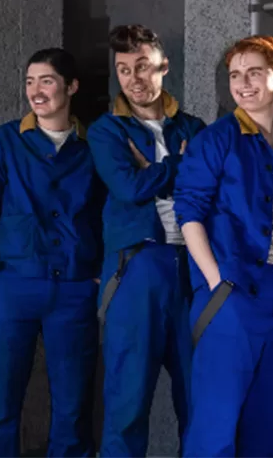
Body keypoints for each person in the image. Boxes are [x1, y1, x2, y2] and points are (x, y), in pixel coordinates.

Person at [174, 35, 273, 457]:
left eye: (255, 72)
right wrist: (217, 282)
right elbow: (189, 214)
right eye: (236, 75)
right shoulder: (216, 139)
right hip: (231, 291)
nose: (244, 83)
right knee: (214, 424)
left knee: (270, 423)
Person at [0, 48, 105, 457]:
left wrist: (95, 274)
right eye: (30, 82)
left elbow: (107, 213)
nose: (36, 91)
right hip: (12, 286)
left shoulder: (92, 146)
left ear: (71, 87)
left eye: (46, 81)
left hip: (75, 289)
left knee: (73, 407)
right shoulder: (5, 140)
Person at [87, 24, 205, 457]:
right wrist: (177, 164)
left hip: (192, 269)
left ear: (163, 66)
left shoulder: (193, 125)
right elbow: (129, 189)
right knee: (127, 404)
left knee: (200, 401)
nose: (134, 79)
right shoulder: (107, 131)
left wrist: (151, 170)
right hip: (136, 269)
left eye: (142, 67)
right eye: (123, 70)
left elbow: (207, 187)